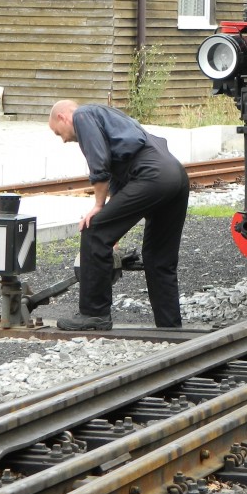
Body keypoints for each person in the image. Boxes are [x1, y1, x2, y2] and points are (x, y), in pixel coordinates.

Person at [48, 100, 190, 330]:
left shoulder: (82, 115)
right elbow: (119, 182)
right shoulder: (110, 119)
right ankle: (170, 327)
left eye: (58, 133)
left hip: (152, 175)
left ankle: (94, 314)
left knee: (94, 229)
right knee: (159, 258)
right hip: (175, 176)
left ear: (63, 117)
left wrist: (97, 205)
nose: (63, 140)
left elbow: (98, 161)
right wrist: (113, 233)